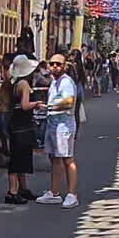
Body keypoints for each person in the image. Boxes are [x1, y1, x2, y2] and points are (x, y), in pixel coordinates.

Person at [37, 52, 79, 208]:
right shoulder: (54, 81)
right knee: (55, 158)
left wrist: (49, 107)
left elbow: (68, 102)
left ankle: (71, 194)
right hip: (53, 124)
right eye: (52, 63)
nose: (55, 66)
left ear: (65, 66)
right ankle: (54, 193)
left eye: (58, 64)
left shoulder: (66, 82)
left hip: (63, 125)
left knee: (67, 159)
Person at [6, 54, 39, 205]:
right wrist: (37, 103)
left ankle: (22, 189)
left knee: (20, 158)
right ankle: (13, 191)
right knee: (18, 160)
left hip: (15, 124)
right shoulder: (24, 84)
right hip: (22, 125)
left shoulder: (14, 83)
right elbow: (25, 105)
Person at [0, 51, 14, 157]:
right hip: (2, 107)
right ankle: (5, 148)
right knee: (0, 129)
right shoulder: (7, 72)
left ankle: (9, 152)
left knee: (5, 131)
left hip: (6, 108)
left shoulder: (12, 73)